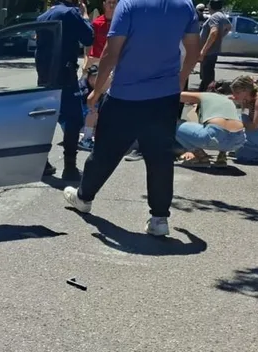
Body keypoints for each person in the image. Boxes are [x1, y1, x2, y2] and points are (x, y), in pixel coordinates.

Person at [62, 0, 200, 237]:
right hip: (164, 96)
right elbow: (193, 50)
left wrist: (97, 91)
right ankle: (159, 218)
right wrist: (180, 80)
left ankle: (84, 197)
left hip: (125, 96)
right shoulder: (185, 5)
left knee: (105, 152)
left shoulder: (128, 5)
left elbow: (110, 52)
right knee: (160, 157)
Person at [36, 0, 94, 181]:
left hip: (45, 77)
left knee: (45, 120)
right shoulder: (70, 13)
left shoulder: (42, 16)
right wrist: (84, 15)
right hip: (65, 77)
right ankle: (70, 167)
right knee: (74, 120)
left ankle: (41, 163)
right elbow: (88, 38)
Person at [215, 77, 258, 163]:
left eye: (237, 93)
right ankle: (251, 148)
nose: (234, 95)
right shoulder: (247, 98)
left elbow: (254, 126)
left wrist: (236, 127)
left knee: (238, 130)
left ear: (246, 90)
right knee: (240, 155)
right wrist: (242, 104)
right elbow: (245, 115)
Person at [173, 91, 246, 167]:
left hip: (213, 137)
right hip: (237, 141)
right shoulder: (228, 100)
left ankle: (200, 156)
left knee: (173, 125)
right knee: (227, 124)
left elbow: (176, 95)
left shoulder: (205, 96)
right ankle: (222, 155)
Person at [198, 0, 230, 92]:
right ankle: (204, 91)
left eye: (208, 4)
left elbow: (213, 32)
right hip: (213, 51)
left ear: (211, 6)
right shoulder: (221, 15)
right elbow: (229, 27)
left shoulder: (214, 17)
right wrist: (220, 36)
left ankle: (207, 94)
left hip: (208, 51)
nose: (207, 6)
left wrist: (203, 51)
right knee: (207, 75)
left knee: (207, 76)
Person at [77, 64, 101, 150]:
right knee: (93, 112)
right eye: (95, 78)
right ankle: (86, 140)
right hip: (78, 119)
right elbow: (88, 104)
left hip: (87, 119)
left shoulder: (100, 85)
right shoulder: (83, 87)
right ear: (90, 77)